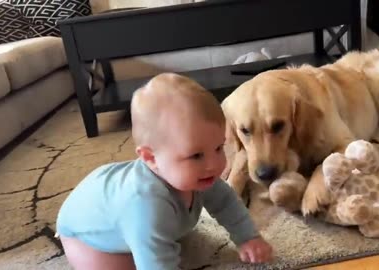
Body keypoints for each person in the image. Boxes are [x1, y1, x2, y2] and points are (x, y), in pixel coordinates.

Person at [56, 73, 273, 270]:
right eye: (196, 155)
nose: (215, 164)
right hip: (87, 235)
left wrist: (247, 237)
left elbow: (225, 202)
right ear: (151, 158)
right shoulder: (145, 206)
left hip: (130, 210)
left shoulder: (200, 174)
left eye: (218, 148)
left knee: (159, 239)